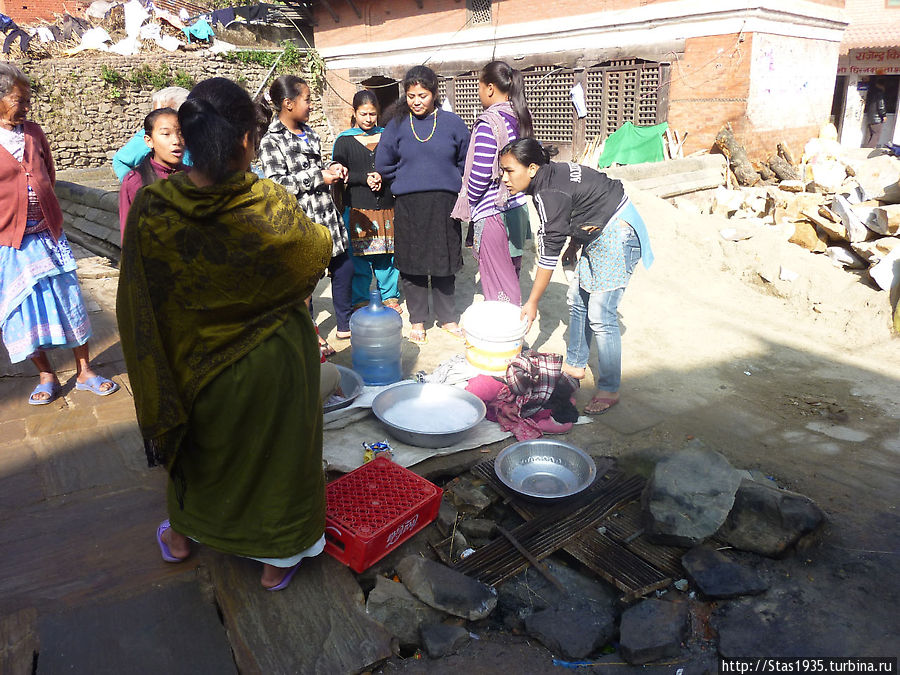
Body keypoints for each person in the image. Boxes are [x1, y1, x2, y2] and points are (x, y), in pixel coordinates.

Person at [117, 77, 333, 591]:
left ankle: (184, 533)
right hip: (272, 365)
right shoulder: (267, 202)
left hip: (190, 364)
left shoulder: (153, 208)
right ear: (244, 141)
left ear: (187, 138)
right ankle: (277, 555)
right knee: (280, 457)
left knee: (199, 450)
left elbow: (137, 299)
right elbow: (315, 254)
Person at [498, 138, 653, 415]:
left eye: (509, 171)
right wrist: (575, 243)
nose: (504, 178)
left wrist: (532, 302)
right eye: (502, 171)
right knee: (577, 299)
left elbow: (547, 256)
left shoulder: (549, 193)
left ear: (532, 168)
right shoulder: (548, 178)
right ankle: (575, 364)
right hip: (597, 230)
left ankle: (609, 388)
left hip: (618, 231)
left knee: (601, 314)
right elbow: (580, 204)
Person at [0, 63, 119, 404]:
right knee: (23, 309)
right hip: (11, 242)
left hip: (49, 235)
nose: (26, 107)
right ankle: (46, 374)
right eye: (19, 100)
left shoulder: (34, 132)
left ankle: (85, 371)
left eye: (27, 100)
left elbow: (48, 173)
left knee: (70, 300)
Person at [375, 65, 470, 344]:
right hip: (409, 203)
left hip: (444, 203)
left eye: (423, 95)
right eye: (411, 95)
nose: (416, 101)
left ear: (434, 93)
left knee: (445, 259)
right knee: (412, 261)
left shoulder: (453, 123)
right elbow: (383, 163)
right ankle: (417, 319)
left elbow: (465, 160)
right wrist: (406, 177)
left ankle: (447, 317)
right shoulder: (396, 124)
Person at [259, 75, 353, 344]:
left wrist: (333, 168)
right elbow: (276, 185)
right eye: (307, 99)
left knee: (344, 268)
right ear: (288, 103)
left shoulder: (309, 132)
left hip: (327, 214)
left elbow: (318, 166)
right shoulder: (271, 141)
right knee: (305, 282)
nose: (311, 105)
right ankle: (311, 335)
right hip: (301, 220)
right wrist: (317, 177)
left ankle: (344, 324)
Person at [452, 61, 533, 305]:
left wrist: (468, 202)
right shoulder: (518, 118)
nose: (478, 92)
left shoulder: (490, 123)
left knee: (499, 284)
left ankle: (509, 340)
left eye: (478, 85)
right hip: (517, 207)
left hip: (494, 212)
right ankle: (511, 338)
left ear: (489, 88)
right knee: (511, 274)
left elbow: (479, 175)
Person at [332, 90, 401, 313]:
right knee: (359, 257)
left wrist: (383, 176)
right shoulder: (344, 140)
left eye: (372, 114)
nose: (368, 119)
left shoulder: (388, 135)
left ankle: (389, 295)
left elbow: (398, 165)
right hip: (357, 208)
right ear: (354, 113)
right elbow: (339, 173)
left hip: (386, 206)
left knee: (387, 255)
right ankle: (361, 298)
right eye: (363, 114)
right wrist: (363, 178)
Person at [118, 107, 187, 240]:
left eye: (181, 133)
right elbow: (129, 236)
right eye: (166, 134)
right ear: (149, 141)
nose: (176, 141)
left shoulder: (195, 177)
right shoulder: (135, 182)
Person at [112, 86, 191, 181]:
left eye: (164, 113)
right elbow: (120, 161)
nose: (156, 119)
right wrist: (134, 186)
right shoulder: (152, 135)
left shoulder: (202, 135)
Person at [864, 78, 887, 149]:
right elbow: (881, 106)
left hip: (870, 117)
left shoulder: (870, 93)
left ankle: (865, 148)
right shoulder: (879, 94)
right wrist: (883, 115)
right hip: (876, 118)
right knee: (876, 134)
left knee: (869, 134)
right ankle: (870, 149)